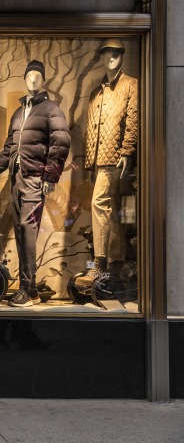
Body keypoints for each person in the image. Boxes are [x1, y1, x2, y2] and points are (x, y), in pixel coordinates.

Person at [0, 60, 70, 308]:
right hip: (16, 180)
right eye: (30, 76)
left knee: (27, 233)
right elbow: (8, 150)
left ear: (44, 80)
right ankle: (32, 290)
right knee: (20, 233)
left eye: (39, 75)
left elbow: (60, 143)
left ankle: (27, 289)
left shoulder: (51, 109)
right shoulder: (18, 114)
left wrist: (50, 176)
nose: (34, 80)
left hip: (35, 178)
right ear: (25, 79)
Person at [78, 39, 138, 286]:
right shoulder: (96, 92)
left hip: (116, 159)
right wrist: (89, 163)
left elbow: (133, 119)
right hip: (98, 160)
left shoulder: (131, 85)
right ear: (102, 57)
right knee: (110, 212)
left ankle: (100, 265)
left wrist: (126, 151)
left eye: (116, 53)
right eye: (107, 53)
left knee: (99, 203)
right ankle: (116, 263)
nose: (111, 57)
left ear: (122, 56)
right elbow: (90, 130)